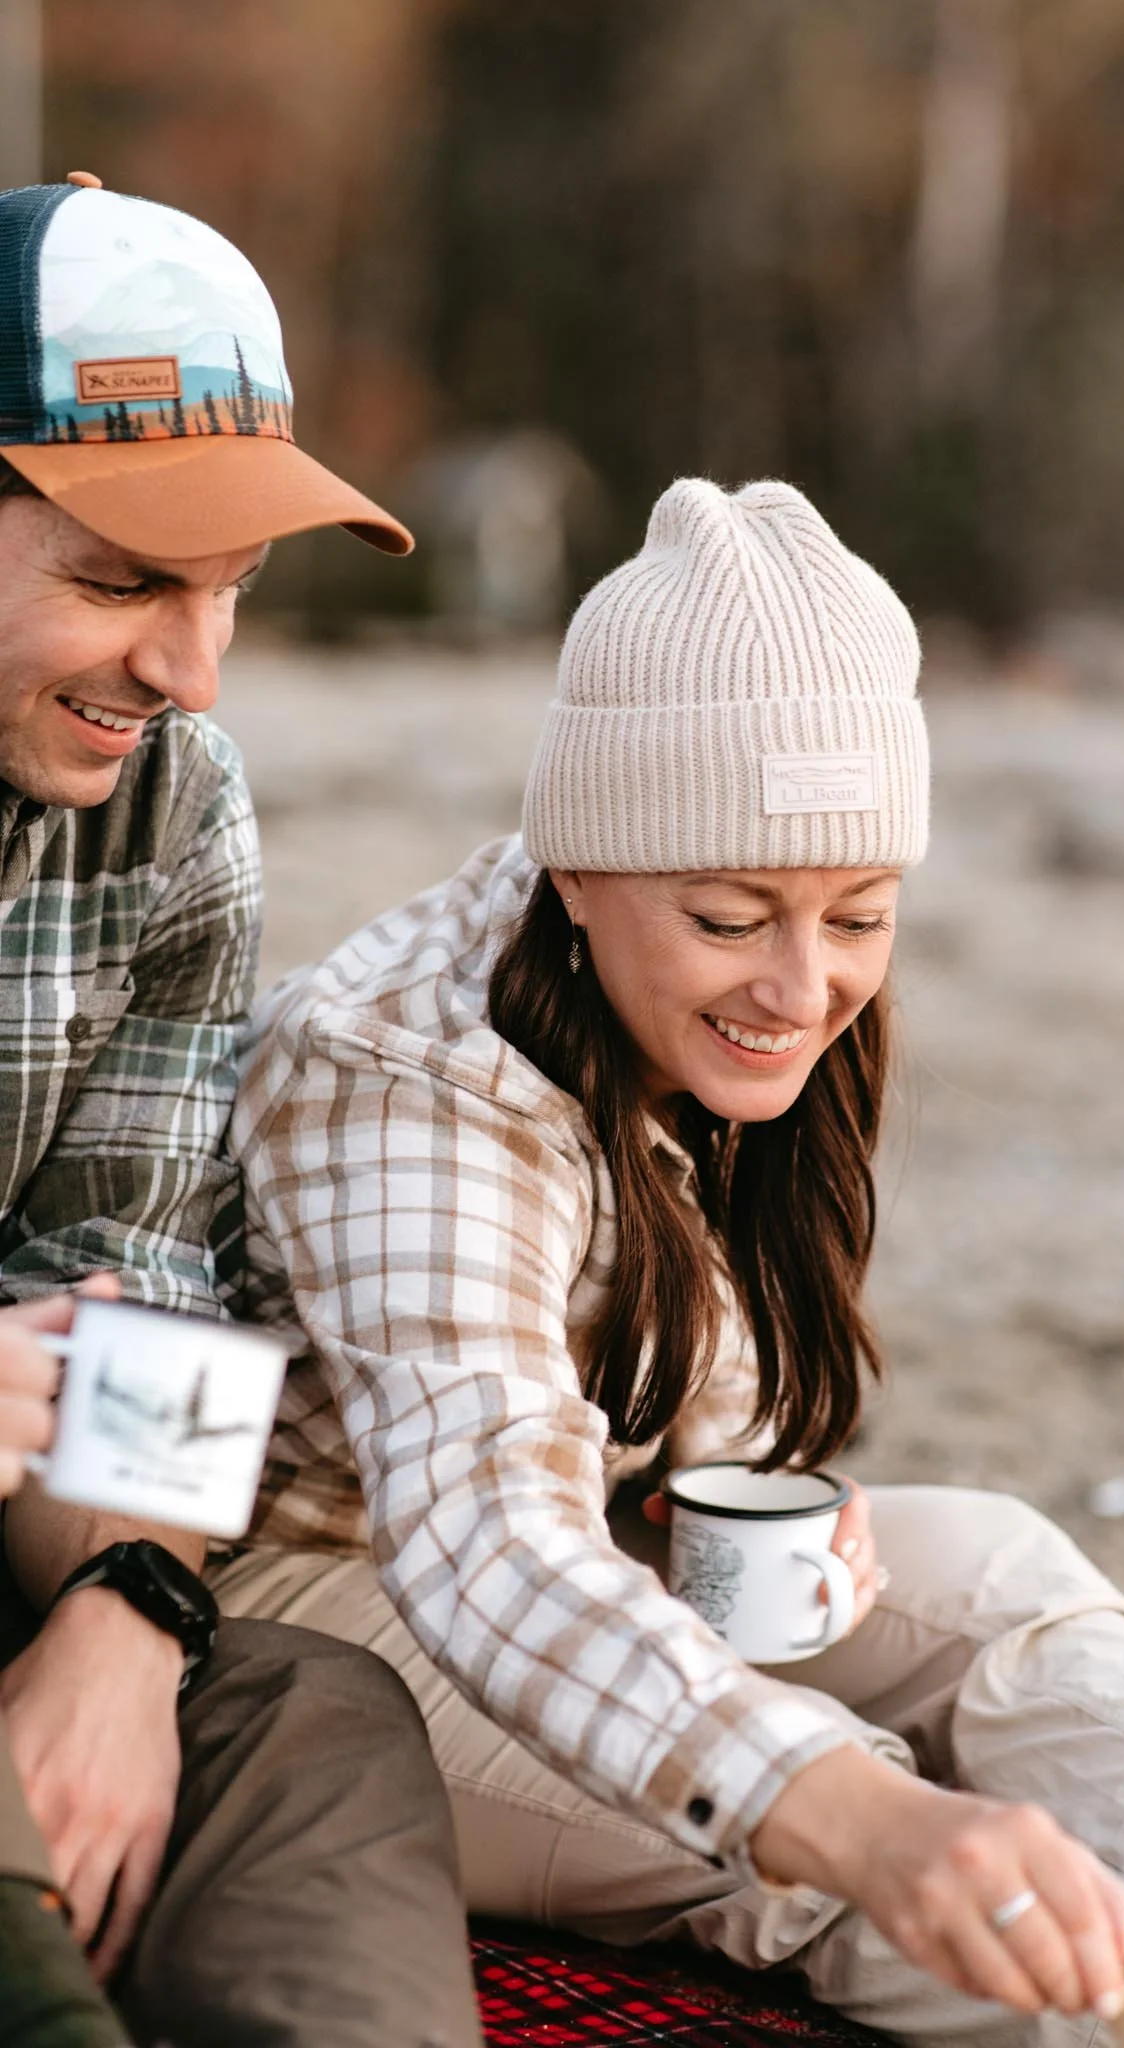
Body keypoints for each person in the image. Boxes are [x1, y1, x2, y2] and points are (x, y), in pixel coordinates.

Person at [230, 477, 1124, 2048]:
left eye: (860, 915)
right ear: (574, 867)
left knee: (996, 1576)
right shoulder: (396, 1078)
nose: (801, 983)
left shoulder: (718, 1018)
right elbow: (485, 1541)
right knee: (807, 1835)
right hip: (323, 1605)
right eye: (729, 914)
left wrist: (725, 1495)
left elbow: (690, 1409)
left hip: (588, 1532)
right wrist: (848, 1805)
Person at [0, 174, 474, 2046]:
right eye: (123, 580)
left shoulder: (175, 800)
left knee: (313, 1714)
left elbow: (131, 1290)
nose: (190, 678)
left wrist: (123, 1622)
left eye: (228, 593)